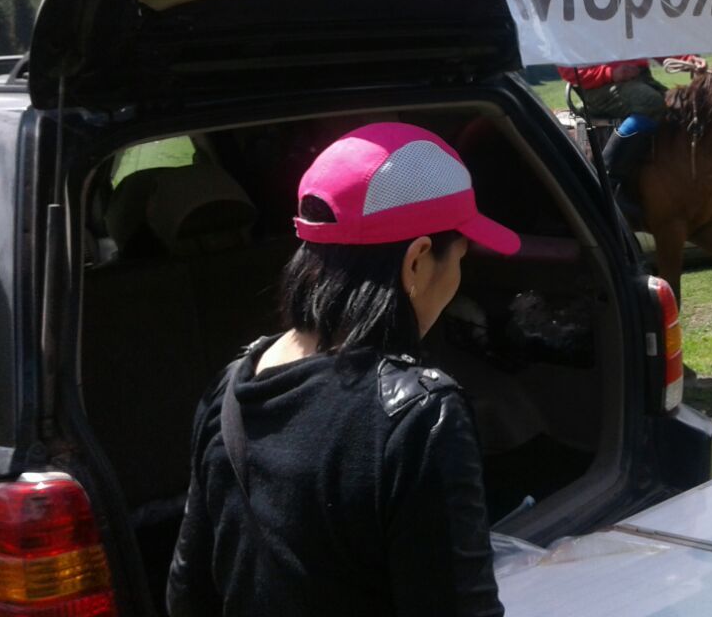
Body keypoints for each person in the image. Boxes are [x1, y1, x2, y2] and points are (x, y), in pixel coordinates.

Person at [166, 122, 519, 617]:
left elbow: (186, 594)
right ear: (417, 261)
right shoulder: (420, 416)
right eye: (459, 256)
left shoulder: (229, 386)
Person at [558, 56, 705, 197]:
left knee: (679, 106)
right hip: (599, 86)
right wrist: (610, 73)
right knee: (651, 103)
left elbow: (657, 42)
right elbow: (566, 67)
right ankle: (606, 177)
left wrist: (687, 59)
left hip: (641, 78)